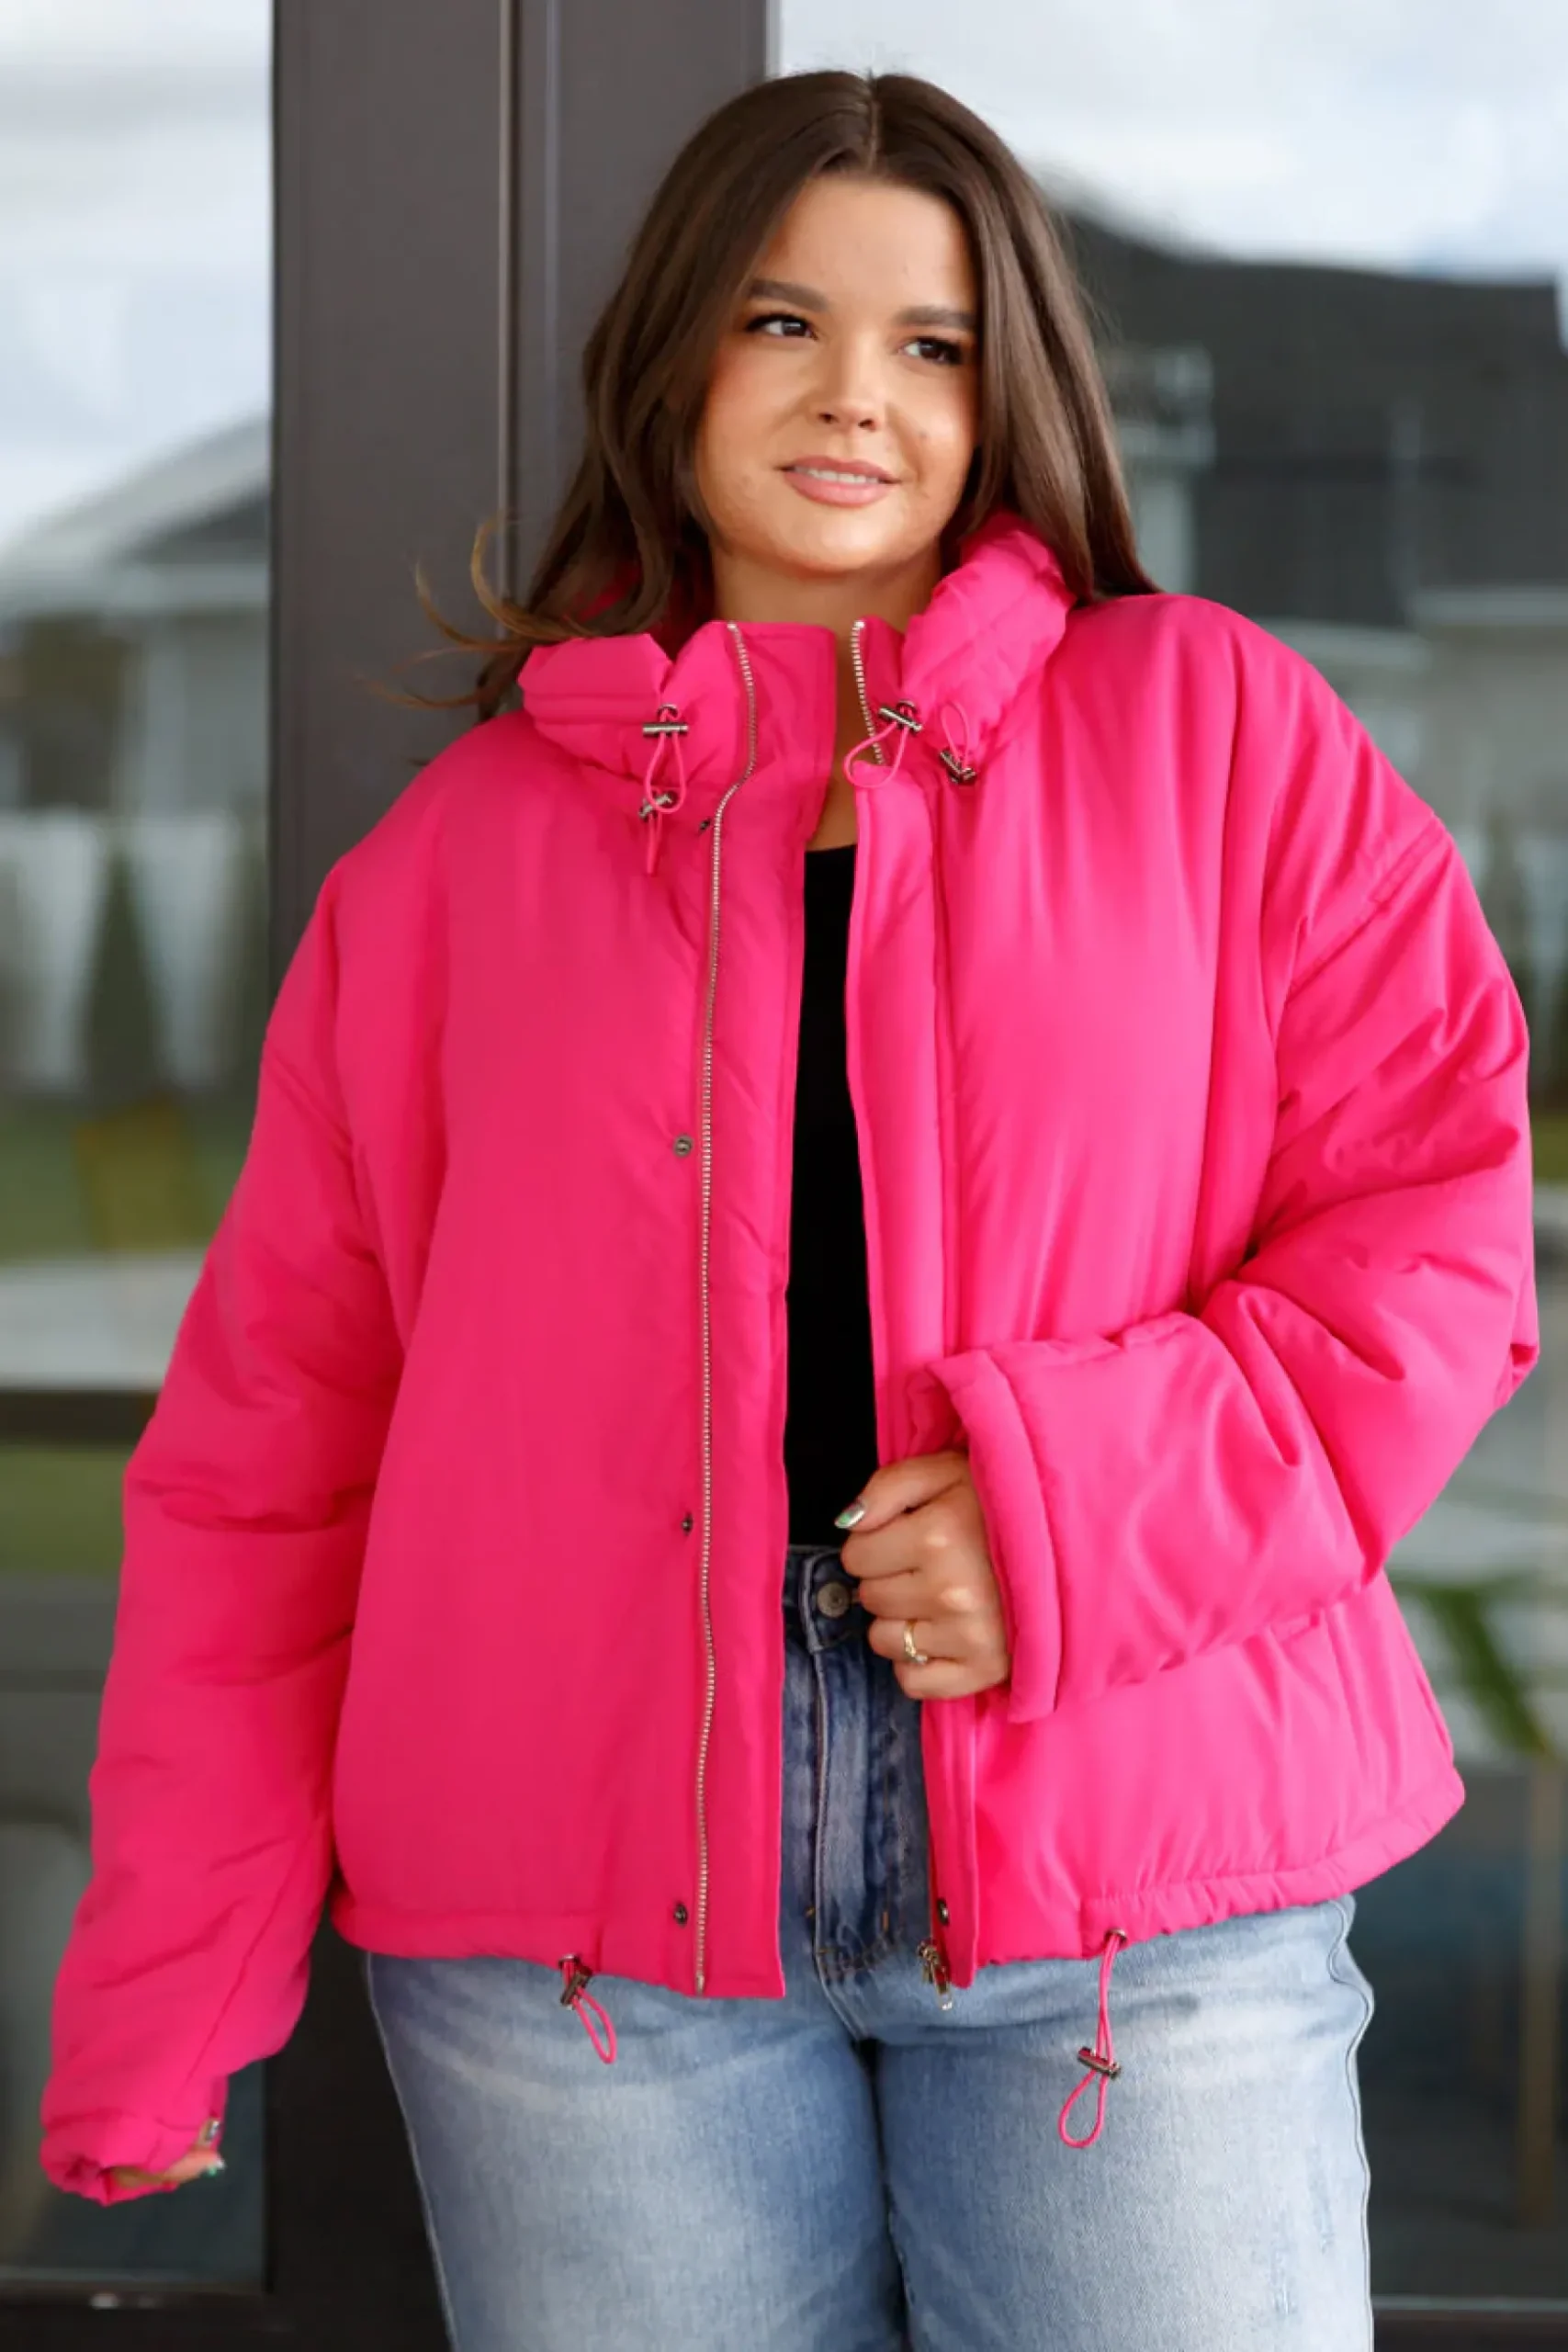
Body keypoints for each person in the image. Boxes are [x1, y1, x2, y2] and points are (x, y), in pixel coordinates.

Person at [39, 66, 1537, 2352]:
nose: (857, 394)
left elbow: (1424, 1230)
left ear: (1007, 395)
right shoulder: (445, 869)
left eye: (932, 343)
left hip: (1130, 1910)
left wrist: (1071, 1511)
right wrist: (164, 1990)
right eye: (782, 321)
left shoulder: (1217, 731)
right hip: (580, 1964)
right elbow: (273, 1459)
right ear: (672, 360)